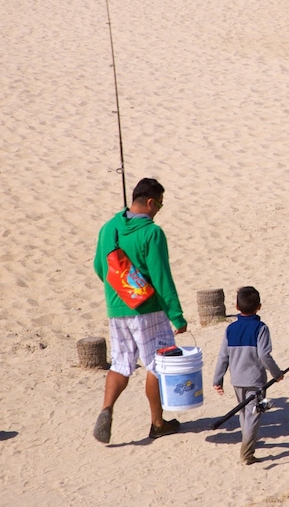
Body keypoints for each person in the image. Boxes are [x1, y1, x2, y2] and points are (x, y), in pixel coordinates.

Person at [91, 177, 187, 443]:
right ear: (150, 202)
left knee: (121, 362)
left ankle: (106, 408)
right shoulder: (152, 233)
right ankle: (158, 422)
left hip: (117, 308)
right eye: (160, 205)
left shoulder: (108, 228)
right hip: (148, 309)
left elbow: (99, 267)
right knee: (157, 362)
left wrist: (120, 292)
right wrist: (176, 315)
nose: (158, 211)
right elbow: (161, 277)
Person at [213, 286, 283, 464]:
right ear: (259, 307)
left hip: (237, 380)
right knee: (254, 414)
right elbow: (264, 355)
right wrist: (276, 374)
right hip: (255, 381)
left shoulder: (230, 329)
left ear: (236, 306)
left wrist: (217, 379)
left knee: (244, 413)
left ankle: (247, 443)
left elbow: (223, 356)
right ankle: (247, 453)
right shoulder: (261, 328)